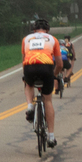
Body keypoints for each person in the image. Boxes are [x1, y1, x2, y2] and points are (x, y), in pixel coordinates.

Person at [21, 16, 60, 149]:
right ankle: (51, 137)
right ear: (47, 30)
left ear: (34, 30)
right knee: (47, 101)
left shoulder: (26, 39)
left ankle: (30, 107)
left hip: (30, 67)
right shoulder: (52, 39)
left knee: (28, 84)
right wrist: (52, 75)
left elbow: (24, 59)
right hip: (46, 68)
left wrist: (25, 75)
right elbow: (59, 64)